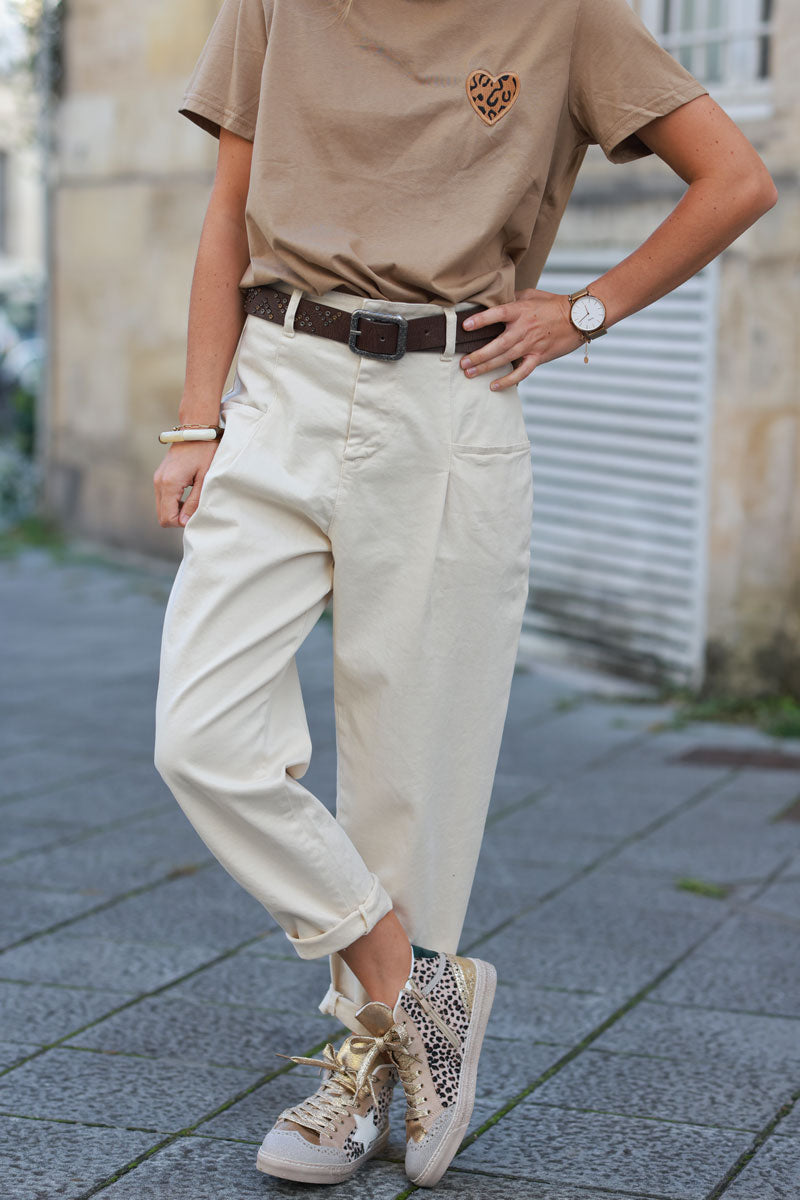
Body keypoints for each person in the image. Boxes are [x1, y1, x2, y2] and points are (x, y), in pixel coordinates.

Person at [152, 0, 776, 1188]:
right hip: (276, 386)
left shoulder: (567, 15)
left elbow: (733, 179)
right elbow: (226, 213)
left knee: (414, 775)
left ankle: (365, 1069)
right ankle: (417, 988)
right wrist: (195, 420)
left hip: (448, 403)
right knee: (202, 738)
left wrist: (583, 309)